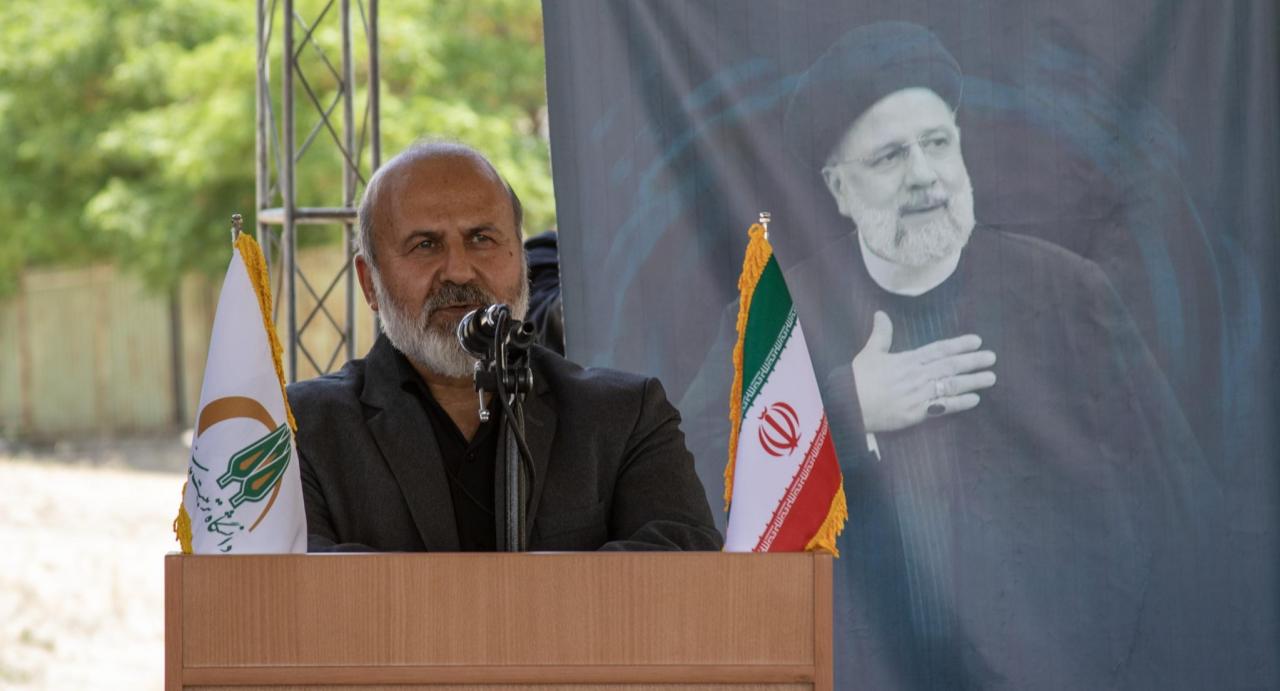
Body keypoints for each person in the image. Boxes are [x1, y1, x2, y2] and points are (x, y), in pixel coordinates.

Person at [781, 22, 1225, 690]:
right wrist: (845, 408)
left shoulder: (1068, 292)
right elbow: (699, 470)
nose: (924, 175)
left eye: (937, 143)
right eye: (890, 156)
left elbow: (1173, 499)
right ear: (839, 187)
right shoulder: (781, 314)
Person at [287, 140, 721, 553]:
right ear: (370, 283)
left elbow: (684, 564)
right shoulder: (301, 429)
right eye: (425, 245)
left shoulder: (625, 417)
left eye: (481, 239)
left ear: (522, 259)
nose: (458, 271)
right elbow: (294, 586)